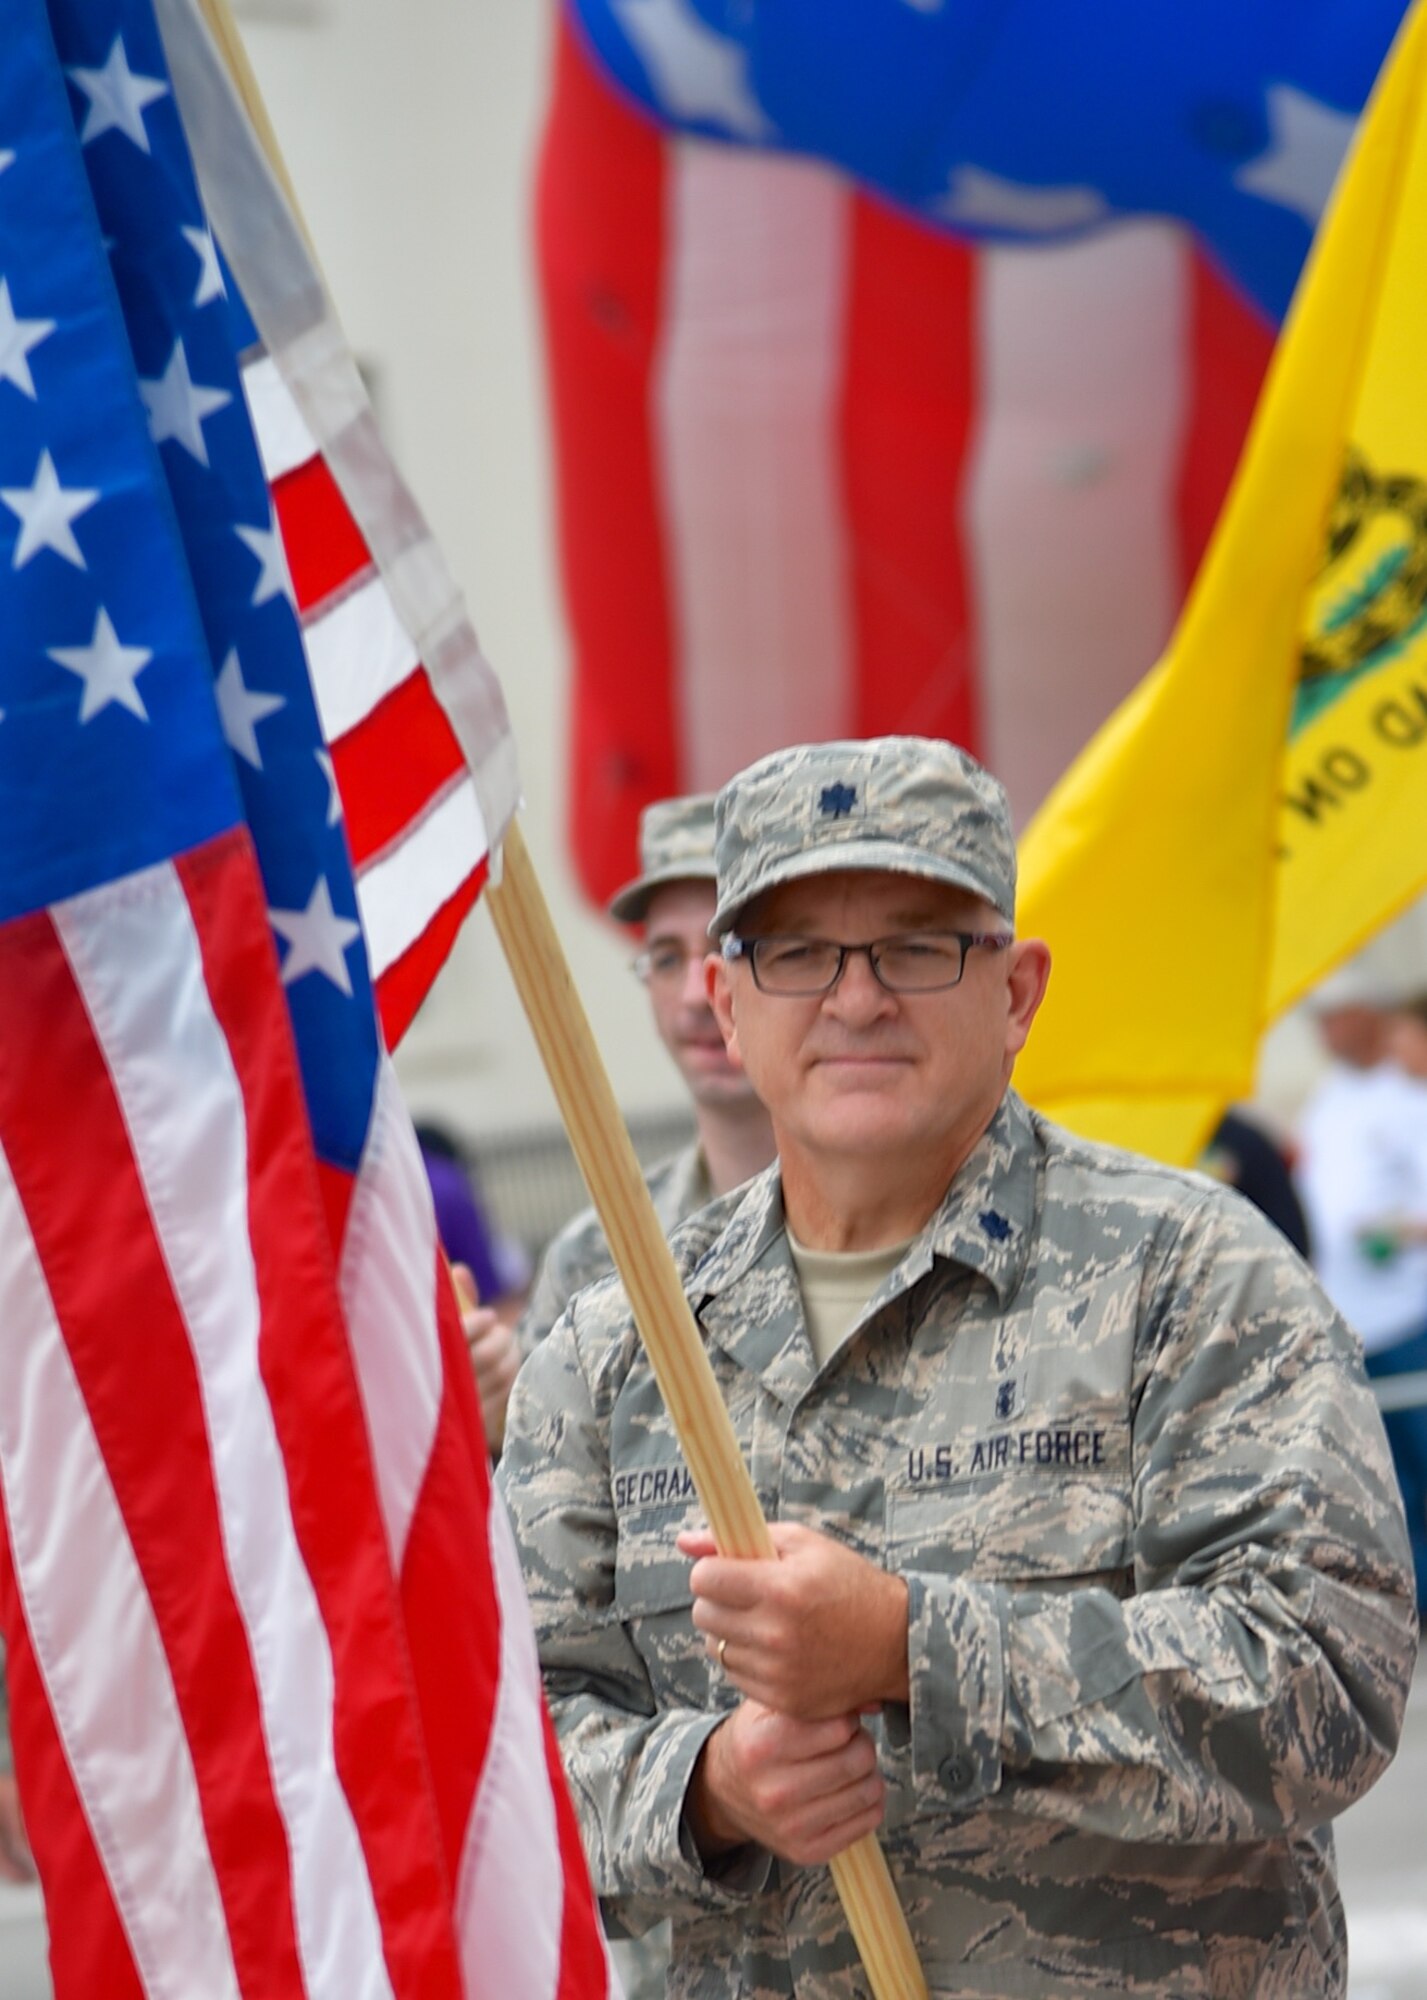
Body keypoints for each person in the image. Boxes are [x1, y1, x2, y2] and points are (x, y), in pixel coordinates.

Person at [500, 735, 1417, 2000]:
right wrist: (709, 1787)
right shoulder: (617, 1347)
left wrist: (912, 1649)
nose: (857, 997)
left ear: (1018, 990)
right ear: (724, 1001)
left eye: (918, 944)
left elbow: (1325, 1682)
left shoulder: (1190, 1278)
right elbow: (498, 1765)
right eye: (797, 951)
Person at [514, 792, 776, 1360]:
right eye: (665, 958)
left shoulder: (896, 1216)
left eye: (727, 951)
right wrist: (493, 1413)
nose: (695, 996)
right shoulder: (593, 1260)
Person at [1297, 983, 1427, 1614]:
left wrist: (1394, 1232)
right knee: (1387, 1486)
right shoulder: (1326, 1102)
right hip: (1352, 1321)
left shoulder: (1409, 1097)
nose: (1326, 1036)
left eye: (1336, 1020)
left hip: (1408, 1314)